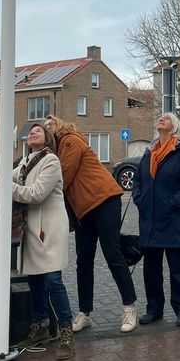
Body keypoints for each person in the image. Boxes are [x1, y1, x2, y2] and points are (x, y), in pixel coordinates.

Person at [0, 123, 75, 360]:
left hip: (49, 227)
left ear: (48, 139)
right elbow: (5, 179)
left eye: (38, 131)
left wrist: (4, 185)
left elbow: (36, 194)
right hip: (31, 228)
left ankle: (66, 334)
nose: (32, 133)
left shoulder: (50, 161)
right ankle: (40, 328)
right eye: (30, 131)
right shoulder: (24, 163)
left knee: (53, 280)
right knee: (35, 281)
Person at [43, 115, 139, 334]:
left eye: (51, 124)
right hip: (83, 210)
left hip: (104, 200)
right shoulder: (52, 153)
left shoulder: (69, 140)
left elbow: (62, 177)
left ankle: (129, 307)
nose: (47, 128)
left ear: (59, 126)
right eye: (44, 126)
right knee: (83, 261)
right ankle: (85, 313)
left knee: (112, 254)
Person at [132, 112, 180, 327]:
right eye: (160, 117)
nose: (161, 119)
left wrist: (173, 202)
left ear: (174, 127)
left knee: (177, 270)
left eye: (167, 118)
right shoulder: (148, 152)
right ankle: (154, 310)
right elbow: (139, 181)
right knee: (151, 271)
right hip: (150, 221)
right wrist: (139, 199)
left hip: (172, 220)